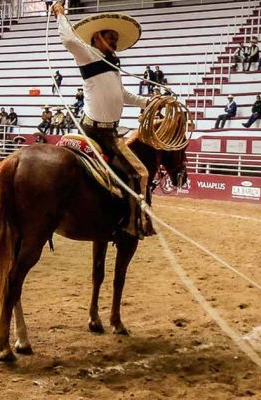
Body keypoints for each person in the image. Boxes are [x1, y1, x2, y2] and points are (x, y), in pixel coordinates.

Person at [52, 0, 154, 238]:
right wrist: (59, 13)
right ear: (97, 37)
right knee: (140, 173)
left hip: (107, 131)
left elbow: (123, 95)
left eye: (116, 39)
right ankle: (133, 223)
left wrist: (147, 102)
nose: (115, 42)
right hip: (97, 132)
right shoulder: (89, 55)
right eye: (111, 37)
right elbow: (69, 41)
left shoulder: (112, 65)